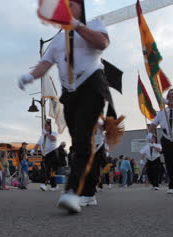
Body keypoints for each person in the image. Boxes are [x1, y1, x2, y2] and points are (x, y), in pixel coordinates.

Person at [18, 0, 116, 213]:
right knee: (79, 142)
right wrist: (30, 76)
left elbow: (102, 43)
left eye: (72, 4)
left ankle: (72, 192)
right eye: (66, 4)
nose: (68, 7)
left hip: (91, 84)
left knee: (81, 141)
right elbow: (46, 63)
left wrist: (77, 25)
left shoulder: (94, 24)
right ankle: (88, 193)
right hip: (70, 93)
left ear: (81, 7)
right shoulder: (57, 41)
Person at [148, 88, 173, 194]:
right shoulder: (162, 112)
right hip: (166, 138)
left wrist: (169, 103)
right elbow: (153, 124)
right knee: (169, 163)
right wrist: (150, 133)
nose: (170, 98)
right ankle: (172, 186)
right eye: (168, 97)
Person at [32, 119, 59, 192]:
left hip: (53, 153)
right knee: (47, 170)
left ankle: (44, 184)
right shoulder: (42, 136)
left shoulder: (53, 133)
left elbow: (53, 139)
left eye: (47, 126)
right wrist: (33, 150)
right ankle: (54, 185)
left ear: (50, 126)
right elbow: (37, 144)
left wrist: (46, 134)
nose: (45, 127)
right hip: (45, 154)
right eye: (45, 126)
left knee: (49, 169)